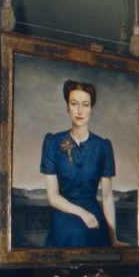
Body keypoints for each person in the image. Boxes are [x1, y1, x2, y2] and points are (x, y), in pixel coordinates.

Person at [40, 80, 123, 247]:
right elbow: (53, 197)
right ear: (67, 107)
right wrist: (82, 213)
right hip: (64, 213)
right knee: (76, 234)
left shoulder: (103, 146)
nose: (79, 111)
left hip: (94, 214)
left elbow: (106, 197)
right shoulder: (53, 143)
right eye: (74, 104)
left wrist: (112, 238)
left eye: (85, 105)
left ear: (91, 109)